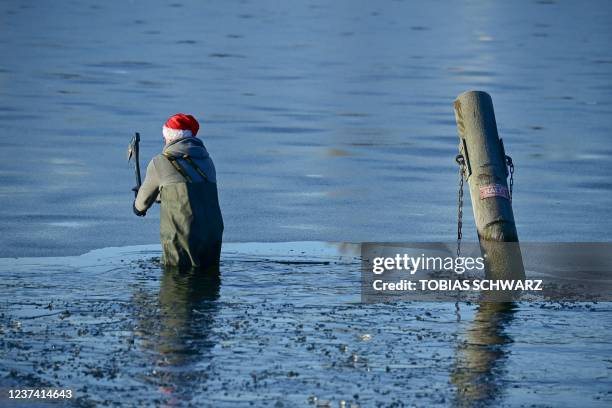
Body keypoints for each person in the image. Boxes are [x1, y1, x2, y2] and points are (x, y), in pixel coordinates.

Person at [133, 113, 223, 268]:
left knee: (177, 284)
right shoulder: (207, 161)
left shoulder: (160, 162)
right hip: (212, 236)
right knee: (208, 285)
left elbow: (141, 206)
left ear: (168, 138)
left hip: (181, 240)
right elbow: (187, 193)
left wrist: (138, 199)